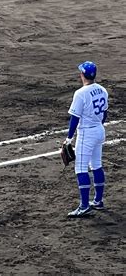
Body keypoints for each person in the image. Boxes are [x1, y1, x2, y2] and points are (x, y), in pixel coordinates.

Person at [65, 61, 109, 218]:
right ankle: (98, 200)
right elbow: (104, 114)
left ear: (82, 74)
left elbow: (74, 118)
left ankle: (84, 206)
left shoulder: (80, 93)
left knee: (81, 169)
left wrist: (69, 138)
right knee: (97, 165)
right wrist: (97, 126)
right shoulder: (102, 90)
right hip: (99, 130)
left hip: (87, 134)